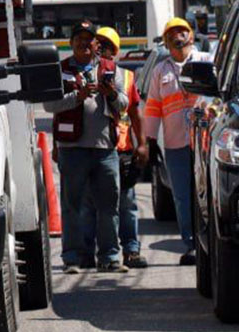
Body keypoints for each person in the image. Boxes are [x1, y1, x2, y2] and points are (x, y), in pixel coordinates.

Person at [44, 21, 128, 273]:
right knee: (72, 205)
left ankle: (110, 257)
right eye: (78, 39)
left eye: (88, 39)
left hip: (105, 149)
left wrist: (111, 93)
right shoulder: (61, 69)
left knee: (108, 206)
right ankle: (73, 258)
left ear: (96, 45)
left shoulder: (111, 69)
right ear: (71, 44)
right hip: (72, 149)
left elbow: (123, 105)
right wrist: (76, 97)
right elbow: (50, 105)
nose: (84, 43)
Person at [142, 16, 210, 265]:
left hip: (205, 143)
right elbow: (152, 108)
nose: (178, 37)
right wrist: (149, 140)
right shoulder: (161, 71)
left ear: (191, 36)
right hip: (175, 144)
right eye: (172, 34)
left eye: (182, 32)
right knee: (182, 196)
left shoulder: (207, 62)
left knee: (207, 194)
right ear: (166, 42)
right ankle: (191, 244)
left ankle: (210, 241)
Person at [96, 27, 148, 269]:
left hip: (123, 148)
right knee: (98, 205)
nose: (102, 49)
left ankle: (132, 250)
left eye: (107, 45)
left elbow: (136, 113)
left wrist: (143, 144)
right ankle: (93, 252)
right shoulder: (87, 73)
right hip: (96, 149)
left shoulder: (126, 77)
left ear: (115, 51)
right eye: (99, 44)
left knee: (126, 203)